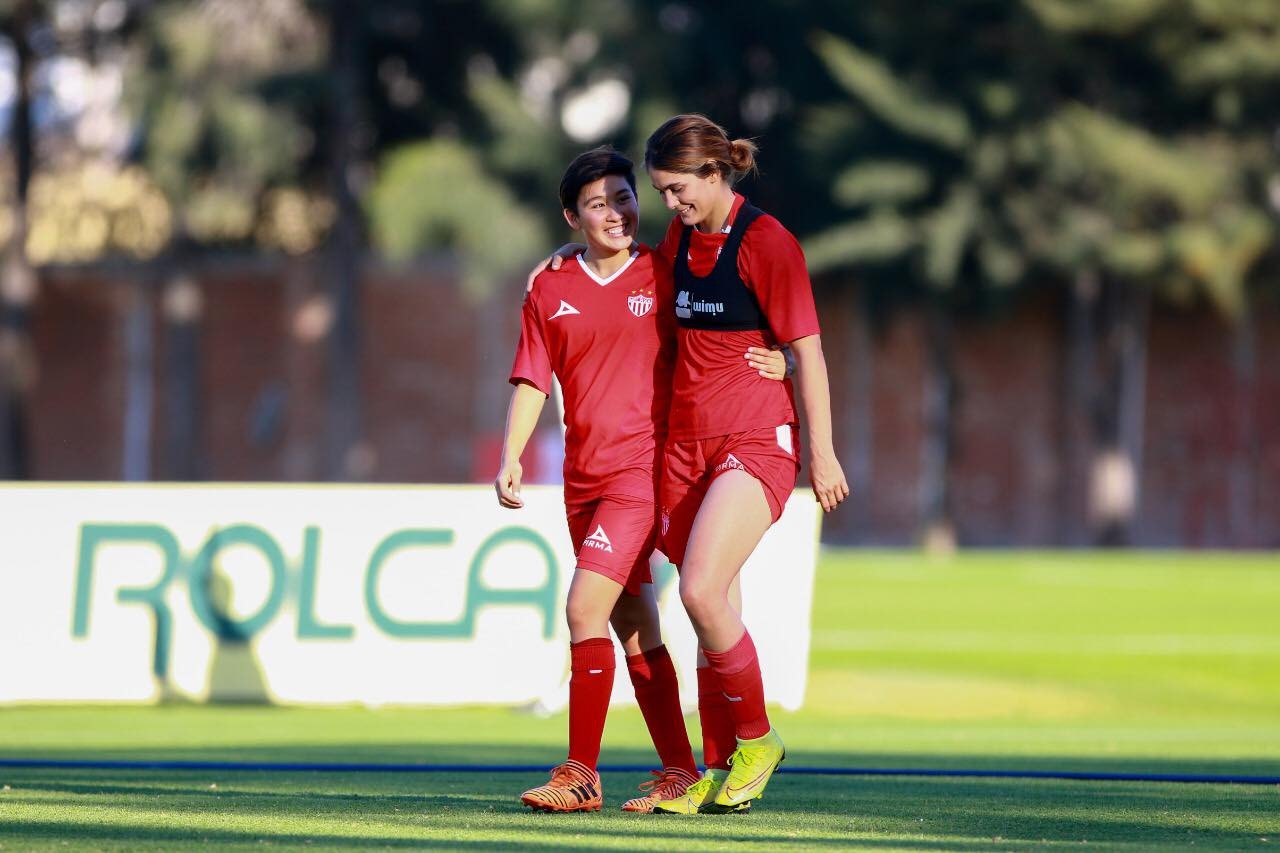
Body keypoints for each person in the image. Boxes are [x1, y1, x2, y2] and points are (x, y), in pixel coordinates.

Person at [535, 116, 848, 814]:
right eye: (660, 192)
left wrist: (823, 453)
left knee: (700, 591)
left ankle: (759, 740)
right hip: (687, 448)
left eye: (677, 189)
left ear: (714, 172)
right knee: (716, 606)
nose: (668, 204)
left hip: (755, 438)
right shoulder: (679, 240)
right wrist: (569, 252)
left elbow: (810, 351)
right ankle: (716, 767)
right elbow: (621, 270)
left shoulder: (767, 242)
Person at [497, 146, 788, 814]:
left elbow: (731, 318)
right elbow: (533, 378)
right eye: (597, 204)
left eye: (624, 197)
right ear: (572, 216)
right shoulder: (549, 288)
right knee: (633, 625)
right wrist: (511, 455)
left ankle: (580, 773)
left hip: (641, 474)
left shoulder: (664, 273)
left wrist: (784, 360)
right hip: (582, 478)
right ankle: (681, 771)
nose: (616, 213)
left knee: (583, 609)